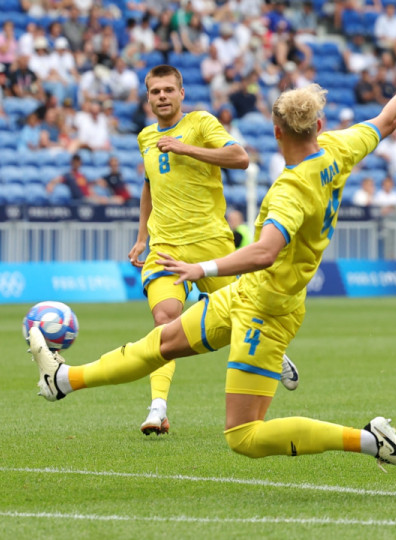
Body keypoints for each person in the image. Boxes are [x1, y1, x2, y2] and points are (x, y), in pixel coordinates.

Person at [26, 34, 396, 483]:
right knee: (164, 340)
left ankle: (370, 440)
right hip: (249, 295)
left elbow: (265, 251)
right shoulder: (339, 150)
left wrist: (200, 269)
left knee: (243, 435)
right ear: (319, 127)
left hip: (268, 311)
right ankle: (63, 380)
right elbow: (390, 116)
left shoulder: (292, 189)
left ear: (277, 131)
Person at [125, 65, 298, 436]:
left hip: (211, 246)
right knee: (164, 322)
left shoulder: (201, 123)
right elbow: (149, 184)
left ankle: (272, 351)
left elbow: (240, 158)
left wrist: (184, 147)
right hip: (165, 249)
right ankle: (157, 409)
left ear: (181, 93)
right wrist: (142, 236)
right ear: (148, 96)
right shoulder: (144, 137)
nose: (162, 97)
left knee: (246, 316)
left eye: (168, 90)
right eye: (155, 91)